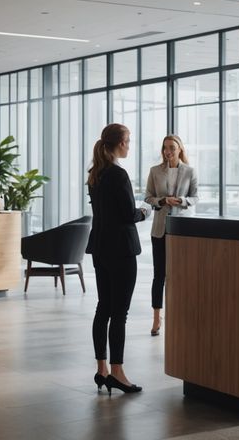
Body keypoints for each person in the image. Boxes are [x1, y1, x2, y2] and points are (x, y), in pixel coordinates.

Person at [87, 123, 149, 394]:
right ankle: (119, 372)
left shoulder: (95, 174)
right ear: (119, 144)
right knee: (119, 313)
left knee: (103, 308)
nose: (129, 145)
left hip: (100, 248)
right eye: (128, 140)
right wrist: (145, 212)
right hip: (121, 250)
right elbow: (127, 214)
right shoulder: (118, 174)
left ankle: (102, 369)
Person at [143, 134, 198, 337]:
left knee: (180, 275)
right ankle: (157, 318)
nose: (168, 151)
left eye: (172, 148)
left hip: (182, 230)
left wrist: (182, 201)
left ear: (180, 149)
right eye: (165, 147)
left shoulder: (190, 171)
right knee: (159, 275)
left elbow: (195, 197)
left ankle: (180, 315)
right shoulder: (155, 171)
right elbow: (148, 197)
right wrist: (163, 200)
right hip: (160, 229)